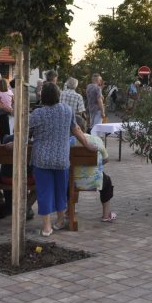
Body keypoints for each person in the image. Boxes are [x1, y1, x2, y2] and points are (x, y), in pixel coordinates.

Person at [29, 83, 97, 237]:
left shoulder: (36, 113)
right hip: (61, 158)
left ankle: (47, 227)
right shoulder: (67, 110)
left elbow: (27, 135)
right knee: (61, 191)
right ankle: (60, 222)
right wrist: (88, 145)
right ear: (58, 96)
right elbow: (76, 130)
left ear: (43, 96)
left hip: (41, 159)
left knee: (44, 192)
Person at [70, 116, 115, 221]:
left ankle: (69, 210)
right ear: (85, 126)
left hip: (74, 181)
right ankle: (106, 214)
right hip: (95, 180)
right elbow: (106, 159)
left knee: (65, 182)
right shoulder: (96, 140)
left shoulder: (69, 141)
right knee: (107, 182)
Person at [0, 77, 13, 143]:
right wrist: (9, 105)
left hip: (3, 110)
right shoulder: (10, 91)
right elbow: (13, 100)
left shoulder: (0, 93)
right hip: (9, 108)